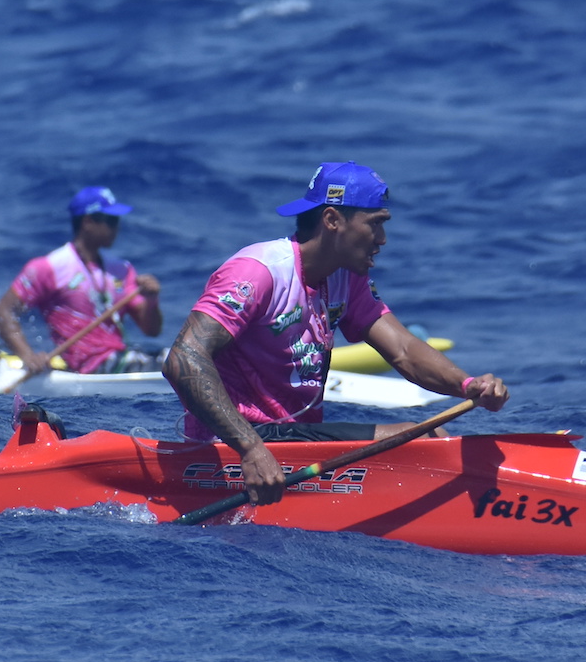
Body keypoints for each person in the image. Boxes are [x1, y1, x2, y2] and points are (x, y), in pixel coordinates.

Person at [162, 161, 508, 503]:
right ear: (332, 220)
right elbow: (183, 359)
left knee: (431, 435)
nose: (383, 239)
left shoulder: (346, 278)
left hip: (290, 437)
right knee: (427, 442)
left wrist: (467, 385)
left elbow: (403, 350)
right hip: (236, 442)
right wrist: (250, 448)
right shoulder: (259, 273)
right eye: (375, 225)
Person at [0, 186, 165, 376]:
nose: (117, 227)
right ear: (88, 222)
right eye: (111, 221)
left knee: (180, 357)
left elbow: (152, 330)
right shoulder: (49, 267)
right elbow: (3, 311)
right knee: (177, 363)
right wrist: (27, 356)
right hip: (88, 367)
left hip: (118, 359)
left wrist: (152, 300)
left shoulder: (122, 270)